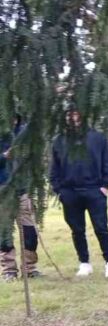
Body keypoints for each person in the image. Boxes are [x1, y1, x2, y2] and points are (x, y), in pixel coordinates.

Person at [50, 107, 108, 278]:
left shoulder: (97, 138)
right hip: (70, 192)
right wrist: (59, 190)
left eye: (75, 113)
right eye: (68, 114)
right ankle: (84, 263)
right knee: (77, 229)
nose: (72, 117)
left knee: (101, 227)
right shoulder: (59, 140)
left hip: (94, 190)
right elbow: (54, 168)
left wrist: (105, 185)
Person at [0, 116, 39, 281]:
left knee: (29, 231)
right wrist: (4, 157)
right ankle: (9, 270)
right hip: (2, 190)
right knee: (5, 232)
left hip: (23, 190)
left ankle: (29, 268)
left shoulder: (25, 130)